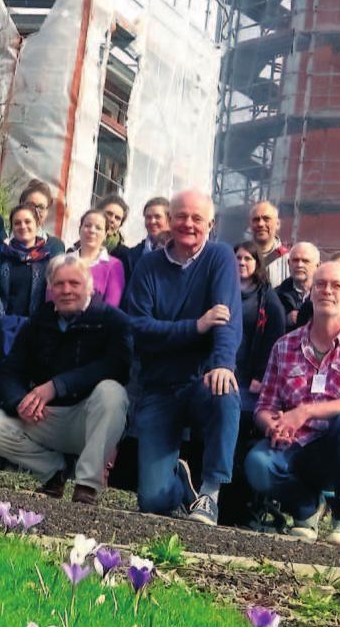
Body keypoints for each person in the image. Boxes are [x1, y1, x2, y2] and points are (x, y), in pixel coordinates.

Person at [243, 256, 340, 545]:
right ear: (311, 291)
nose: (327, 291)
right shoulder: (285, 346)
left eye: (337, 285)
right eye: (320, 284)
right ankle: (306, 509)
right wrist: (272, 424)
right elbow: (265, 406)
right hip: (296, 446)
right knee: (257, 464)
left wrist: (305, 412)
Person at [122, 188, 242, 523]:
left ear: (211, 224)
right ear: (170, 220)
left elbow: (226, 319)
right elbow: (139, 329)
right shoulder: (148, 266)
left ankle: (209, 494)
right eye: (181, 216)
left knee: (226, 390)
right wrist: (196, 326)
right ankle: (181, 485)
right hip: (159, 386)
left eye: (197, 218)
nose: (188, 224)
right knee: (154, 503)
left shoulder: (219, 258)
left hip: (201, 378)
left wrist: (221, 364)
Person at [0, 252, 133, 503]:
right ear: (50, 288)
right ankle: (55, 471)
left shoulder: (112, 321)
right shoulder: (38, 322)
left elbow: (117, 367)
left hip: (90, 418)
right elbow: (9, 371)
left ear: (89, 287)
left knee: (112, 392)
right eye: (59, 284)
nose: (66, 290)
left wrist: (57, 386)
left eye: (74, 284)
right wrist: (20, 402)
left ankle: (86, 485)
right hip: (49, 417)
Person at [0, 203, 55, 365]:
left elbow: (49, 297)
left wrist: (32, 324)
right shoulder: (1, 255)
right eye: (17, 222)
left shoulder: (48, 259)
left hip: (33, 332)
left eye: (27, 221)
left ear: (37, 224)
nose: (23, 226)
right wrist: (4, 320)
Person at [233, 242, 288, 424]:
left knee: (242, 420)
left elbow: (274, 338)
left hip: (251, 375)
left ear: (257, 263)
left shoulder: (268, 298)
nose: (241, 262)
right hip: (226, 369)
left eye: (247, 258)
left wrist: (260, 374)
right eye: (238, 258)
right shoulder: (223, 290)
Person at [72, 207, 126, 307]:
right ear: (80, 229)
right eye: (87, 225)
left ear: (105, 234)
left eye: (98, 228)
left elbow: (110, 308)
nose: (92, 230)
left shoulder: (114, 266)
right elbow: (51, 300)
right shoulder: (64, 261)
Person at [247, 201, 294, 288]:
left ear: (278, 224)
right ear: (250, 225)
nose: (261, 224)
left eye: (266, 219)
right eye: (256, 219)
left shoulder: (291, 260)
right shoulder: (237, 259)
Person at [119, 196, 171, 273]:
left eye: (157, 217)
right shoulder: (132, 256)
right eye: (148, 217)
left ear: (169, 219)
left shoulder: (179, 253)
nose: (152, 221)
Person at [17, 178, 67, 254]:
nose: (35, 211)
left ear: (47, 211)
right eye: (30, 205)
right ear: (21, 205)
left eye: (41, 207)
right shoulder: (5, 243)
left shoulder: (55, 246)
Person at [274, 240, 320, 317]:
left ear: (318, 266)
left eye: (305, 261)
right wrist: (286, 320)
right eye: (295, 260)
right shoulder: (275, 296)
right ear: (288, 263)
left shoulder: (326, 294)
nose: (299, 265)